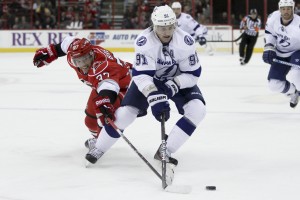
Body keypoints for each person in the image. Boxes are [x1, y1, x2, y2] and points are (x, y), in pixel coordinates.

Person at [85, 5, 206, 169]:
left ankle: (166, 150)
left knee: (197, 110)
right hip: (149, 79)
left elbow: (193, 74)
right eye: (162, 28)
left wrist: (172, 86)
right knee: (126, 114)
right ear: (153, 25)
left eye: (170, 27)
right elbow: (142, 76)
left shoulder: (185, 42)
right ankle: (99, 147)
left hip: (178, 79)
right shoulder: (144, 42)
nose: (166, 32)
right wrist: (154, 97)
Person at [32, 36, 132, 148]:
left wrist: (105, 101)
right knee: (90, 121)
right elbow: (67, 43)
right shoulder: (73, 55)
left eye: (85, 59)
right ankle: (97, 139)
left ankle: (101, 144)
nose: (83, 64)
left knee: (105, 116)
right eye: (78, 61)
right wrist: (51, 51)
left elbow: (109, 86)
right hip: (101, 85)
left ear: (92, 54)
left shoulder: (103, 64)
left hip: (127, 85)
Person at [262, 0, 300, 108]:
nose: (286, 11)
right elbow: (270, 34)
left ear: (293, 9)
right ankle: (294, 92)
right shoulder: (273, 17)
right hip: (280, 53)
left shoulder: (298, 24)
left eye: (288, 8)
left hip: (296, 52)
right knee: (273, 85)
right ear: (279, 9)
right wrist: (269, 47)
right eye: (283, 9)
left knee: (296, 76)